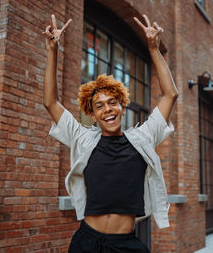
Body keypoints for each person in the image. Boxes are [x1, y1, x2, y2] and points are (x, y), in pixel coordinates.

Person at [42, 14, 178, 252]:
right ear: (92, 115)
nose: (108, 109)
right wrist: (53, 50)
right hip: (86, 241)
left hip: (126, 244)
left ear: (122, 107)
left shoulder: (142, 139)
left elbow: (170, 95)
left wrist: (154, 48)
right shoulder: (83, 138)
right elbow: (50, 103)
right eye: (99, 105)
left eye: (112, 102)